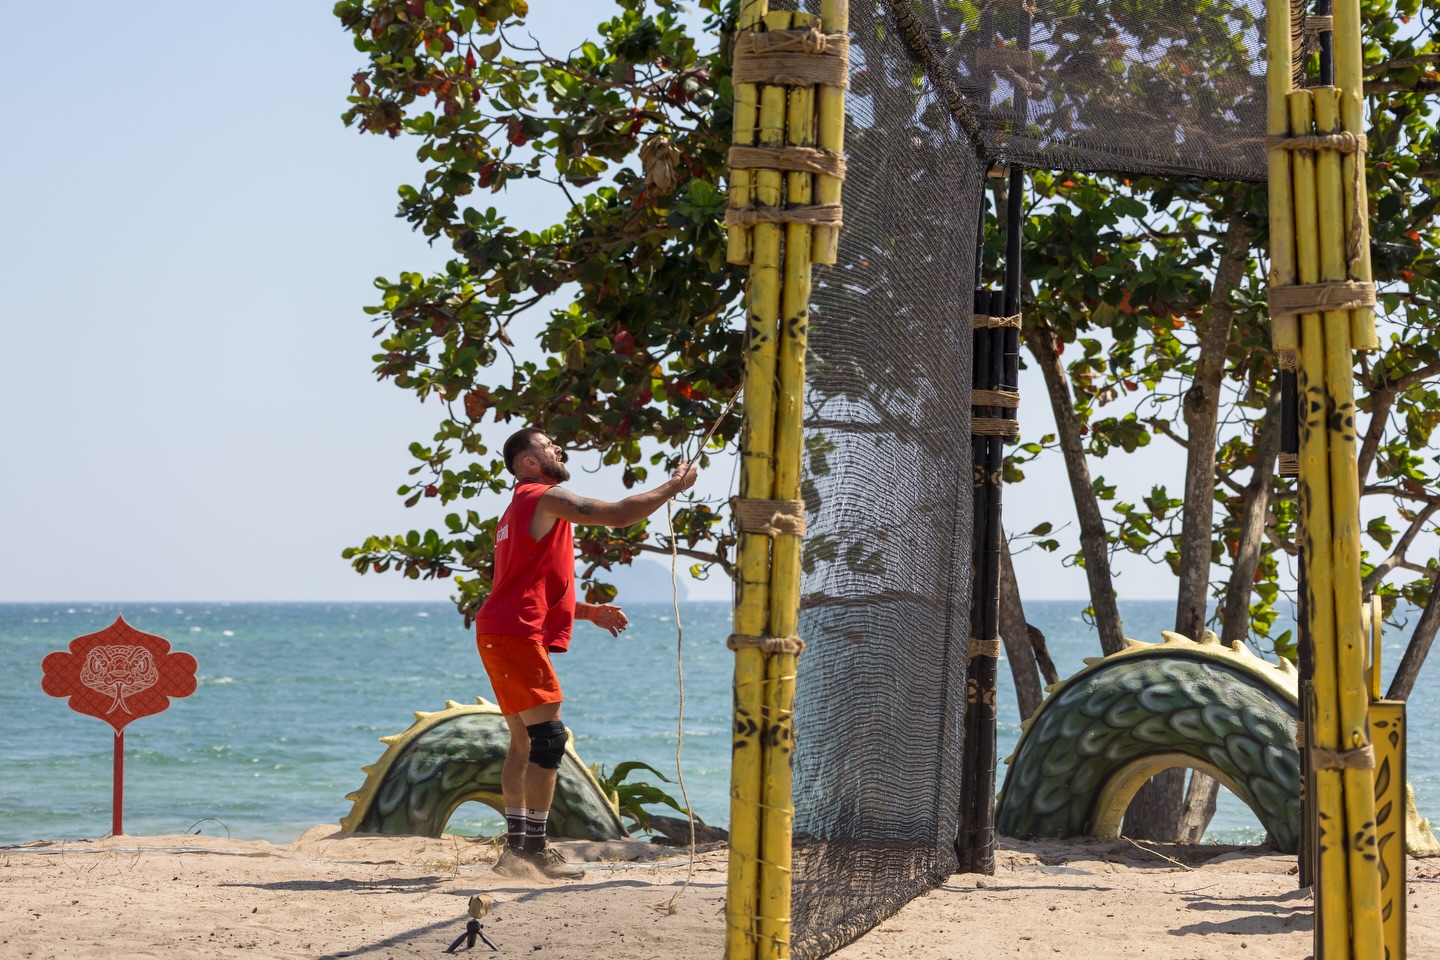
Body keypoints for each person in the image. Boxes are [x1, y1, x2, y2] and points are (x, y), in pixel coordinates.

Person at [473, 426, 698, 880]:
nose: (558, 447)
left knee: (524, 740)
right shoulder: (543, 496)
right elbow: (618, 514)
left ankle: (516, 852)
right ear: (529, 462)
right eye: (547, 445)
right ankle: (534, 851)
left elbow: (520, 588)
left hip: (499, 631)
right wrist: (675, 485)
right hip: (513, 634)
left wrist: (588, 612)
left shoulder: (515, 511)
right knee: (548, 739)